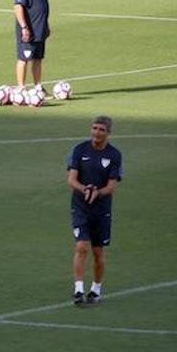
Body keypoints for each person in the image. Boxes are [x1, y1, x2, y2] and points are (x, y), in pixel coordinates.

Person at [66, 116, 123, 305]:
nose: (96, 132)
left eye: (101, 130)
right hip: (81, 207)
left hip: (101, 210)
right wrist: (85, 189)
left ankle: (96, 290)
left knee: (98, 252)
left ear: (108, 133)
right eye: (94, 128)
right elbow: (72, 180)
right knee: (81, 246)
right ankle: (78, 289)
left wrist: (97, 193)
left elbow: (111, 186)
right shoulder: (80, 150)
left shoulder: (114, 155)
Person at [13, 0, 50, 93]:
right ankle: (21, 88)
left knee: (38, 59)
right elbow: (18, 7)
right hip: (28, 31)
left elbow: (43, 8)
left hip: (40, 30)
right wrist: (24, 27)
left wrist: (46, 26)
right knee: (23, 59)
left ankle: (38, 87)